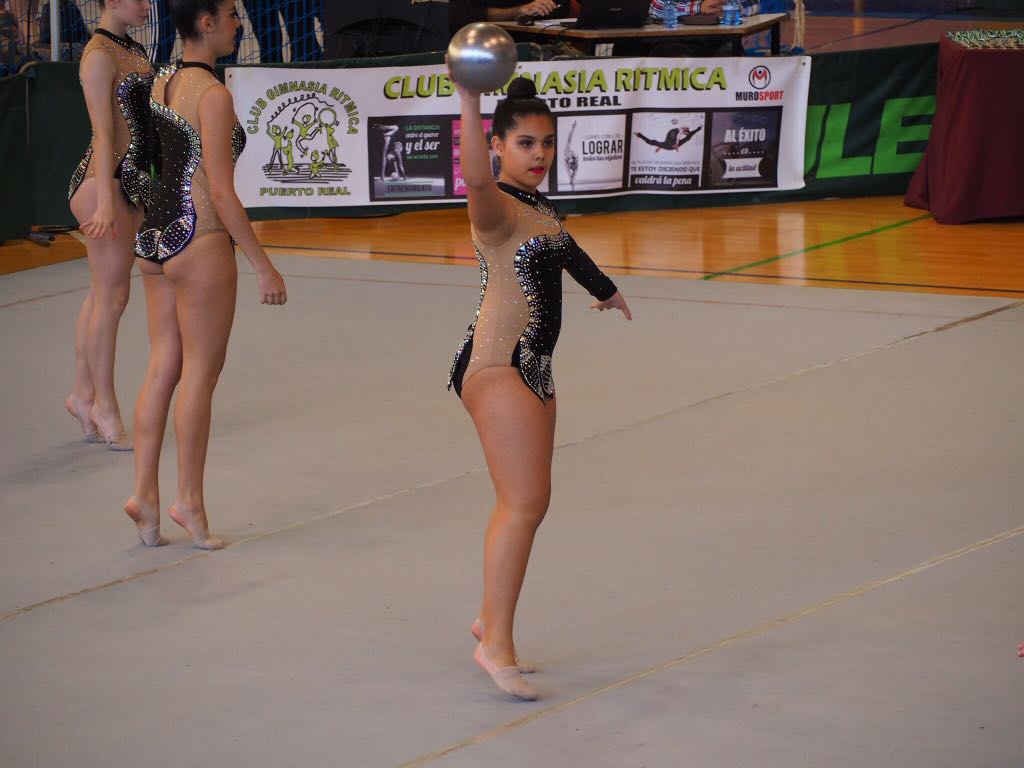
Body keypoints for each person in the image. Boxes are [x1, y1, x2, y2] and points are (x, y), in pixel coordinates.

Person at [448, 74, 631, 700]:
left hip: (534, 368)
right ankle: (494, 642)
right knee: (520, 505)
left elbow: (564, 246)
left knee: (532, 503)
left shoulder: (540, 208)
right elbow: (473, 180)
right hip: (498, 364)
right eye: (526, 143)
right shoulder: (495, 206)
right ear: (496, 145)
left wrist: (603, 287)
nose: (540, 155)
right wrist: (469, 101)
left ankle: (489, 618)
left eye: (548, 143)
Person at [130, 0, 287, 549]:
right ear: (205, 23)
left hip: (154, 238)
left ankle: (144, 496)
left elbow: (152, 164)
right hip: (199, 239)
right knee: (199, 374)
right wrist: (262, 265)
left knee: (161, 366)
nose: (239, 24)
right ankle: (188, 503)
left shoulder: (160, 84)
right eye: (231, 15)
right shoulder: (214, 96)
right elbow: (222, 191)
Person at [66, 0, 154, 450]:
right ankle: (104, 404)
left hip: (127, 183)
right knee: (113, 299)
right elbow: (102, 133)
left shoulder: (133, 51)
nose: (147, 5)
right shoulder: (99, 56)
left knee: (102, 294)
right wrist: (103, 200)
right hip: (105, 184)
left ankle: (83, 394)